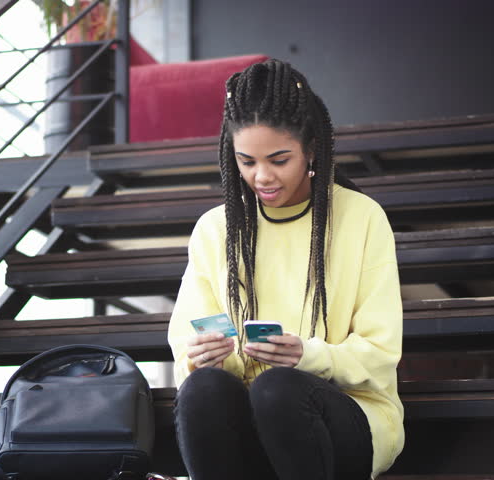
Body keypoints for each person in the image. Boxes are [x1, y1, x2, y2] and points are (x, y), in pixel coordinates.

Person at [167, 59, 404, 480]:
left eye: (279, 160)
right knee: (203, 387)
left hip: (343, 417)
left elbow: (380, 354)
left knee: (276, 387)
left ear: (310, 149)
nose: (262, 177)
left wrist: (308, 356)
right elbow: (187, 345)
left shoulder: (362, 218)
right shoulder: (214, 229)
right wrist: (203, 357)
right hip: (249, 424)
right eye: (246, 161)